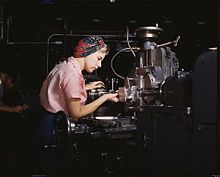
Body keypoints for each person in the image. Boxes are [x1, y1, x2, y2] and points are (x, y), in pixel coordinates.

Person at [32, 36, 119, 176]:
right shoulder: (71, 74)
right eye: (99, 58)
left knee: (42, 166)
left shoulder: (65, 65)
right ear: (87, 53)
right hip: (53, 128)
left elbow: (62, 89)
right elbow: (76, 113)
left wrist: (85, 87)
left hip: (45, 121)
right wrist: (105, 97)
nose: (100, 65)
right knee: (50, 169)